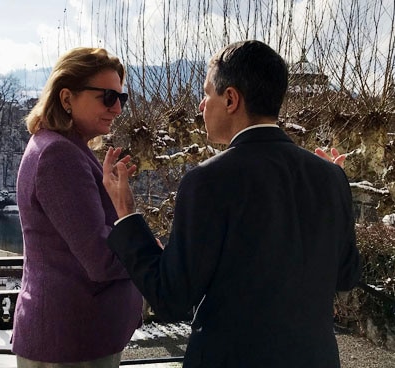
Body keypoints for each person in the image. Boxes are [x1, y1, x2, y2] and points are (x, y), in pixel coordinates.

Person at [102, 40, 361, 367]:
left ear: (231, 98)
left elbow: (171, 298)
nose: (200, 105)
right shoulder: (331, 177)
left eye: (207, 93)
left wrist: (126, 215)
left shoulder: (207, 181)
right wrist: (337, 188)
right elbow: (347, 276)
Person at [12, 47, 143, 367]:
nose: (117, 109)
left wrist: (112, 197)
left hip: (73, 340)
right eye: (107, 97)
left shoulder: (59, 146)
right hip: (73, 344)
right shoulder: (60, 155)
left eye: (121, 99)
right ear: (67, 97)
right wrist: (144, 248)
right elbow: (100, 260)